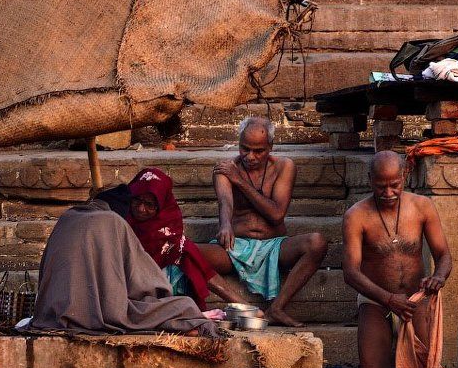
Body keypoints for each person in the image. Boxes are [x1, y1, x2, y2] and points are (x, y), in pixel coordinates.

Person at [342, 150, 456, 368]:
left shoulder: (423, 208)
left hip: (417, 305)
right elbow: (351, 272)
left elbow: (444, 256)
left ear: (405, 177)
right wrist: (387, 298)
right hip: (377, 304)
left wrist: (438, 277)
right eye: (380, 186)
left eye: (394, 185)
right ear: (370, 182)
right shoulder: (356, 216)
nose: (388, 192)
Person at [199, 116, 328, 327]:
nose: (250, 157)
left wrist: (240, 181)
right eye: (244, 149)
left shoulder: (284, 166)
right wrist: (224, 225)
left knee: (317, 242)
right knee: (184, 251)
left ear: (270, 147)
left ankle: (276, 308)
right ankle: (246, 308)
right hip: (234, 249)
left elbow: (276, 214)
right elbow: (225, 203)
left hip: (274, 248)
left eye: (258, 151)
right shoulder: (225, 168)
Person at [29, 198, 219, 337]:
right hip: (98, 314)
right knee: (183, 304)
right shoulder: (113, 222)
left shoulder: (68, 218)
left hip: (49, 312)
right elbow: (148, 286)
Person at [126, 167, 251, 310]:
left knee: (187, 253)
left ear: (160, 205)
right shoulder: (121, 217)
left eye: (149, 205)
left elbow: (175, 248)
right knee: (187, 252)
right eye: (137, 200)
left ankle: (242, 305)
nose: (141, 209)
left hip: (166, 270)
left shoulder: (168, 220)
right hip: (132, 277)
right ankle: (242, 305)